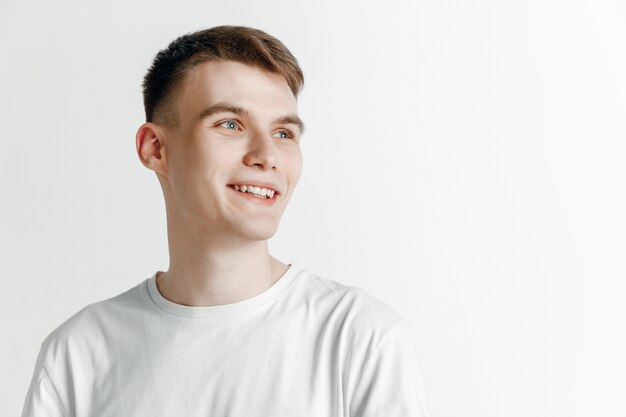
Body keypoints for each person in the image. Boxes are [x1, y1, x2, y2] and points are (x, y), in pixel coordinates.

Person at [21, 25, 430, 416]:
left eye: (284, 133)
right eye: (230, 124)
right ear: (155, 148)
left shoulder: (358, 338)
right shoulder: (78, 353)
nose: (266, 155)